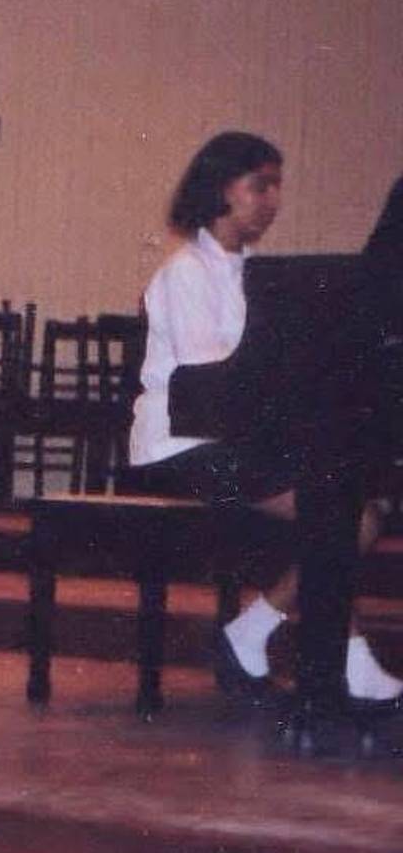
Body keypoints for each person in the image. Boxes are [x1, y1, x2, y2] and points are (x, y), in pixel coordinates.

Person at [127, 131, 402, 710]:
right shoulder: (186, 272)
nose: (273, 199)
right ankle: (336, 660)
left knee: (363, 506)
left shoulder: (264, 277)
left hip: (236, 440)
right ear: (221, 188)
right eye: (261, 185)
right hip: (179, 447)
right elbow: (204, 388)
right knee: (338, 512)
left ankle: (254, 631)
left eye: (277, 186)